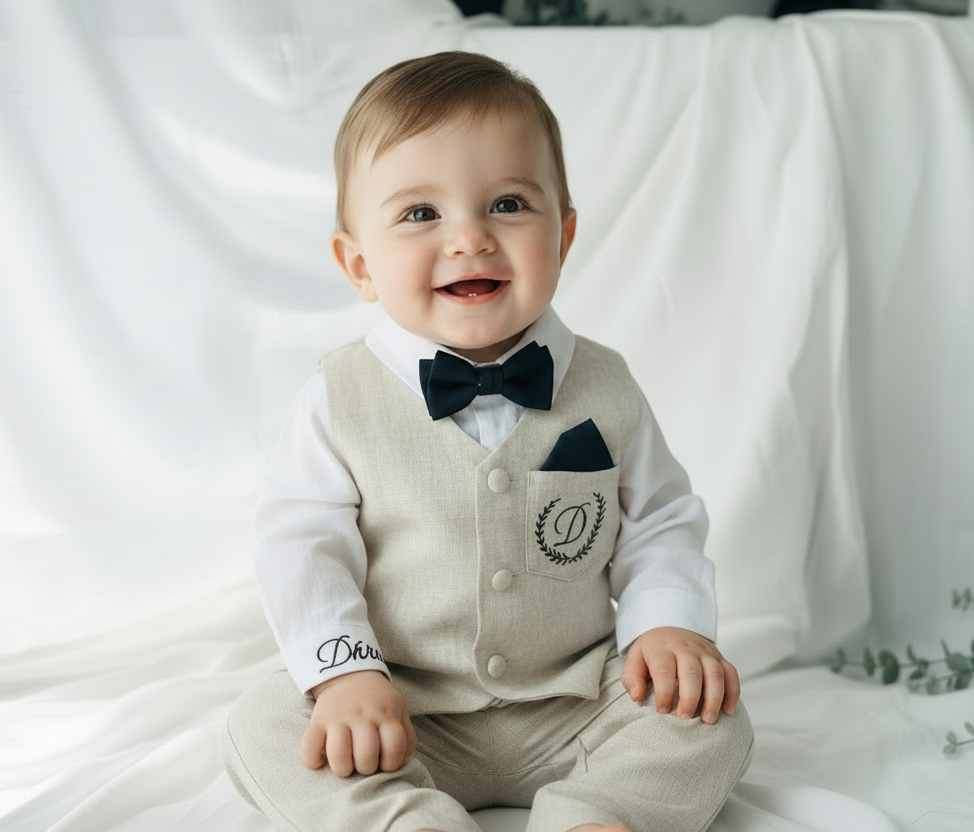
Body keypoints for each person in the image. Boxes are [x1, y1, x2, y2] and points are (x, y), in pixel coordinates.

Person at [225, 50, 754, 832]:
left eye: (508, 204)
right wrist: (346, 677)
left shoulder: (607, 387)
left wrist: (668, 625)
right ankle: (406, 819)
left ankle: (601, 814)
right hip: (405, 710)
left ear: (564, 236)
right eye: (420, 214)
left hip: (573, 704)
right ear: (359, 264)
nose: (469, 238)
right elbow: (301, 546)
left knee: (715, 718)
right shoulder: (337, 399)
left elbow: (661, 519)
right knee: (264, 722)